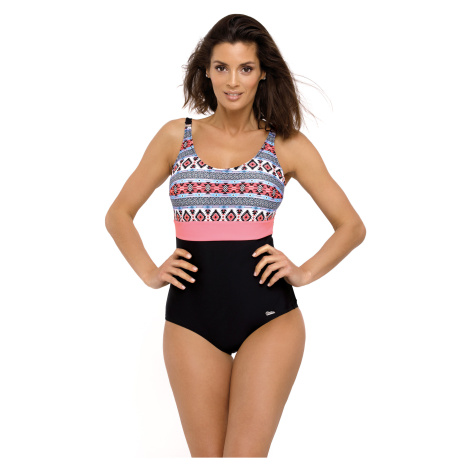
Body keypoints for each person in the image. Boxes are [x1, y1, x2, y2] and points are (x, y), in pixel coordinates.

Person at [105, 13, 366, 458]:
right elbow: (118, 214)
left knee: (243, 459)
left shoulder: (285, 144)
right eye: (221, 67)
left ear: (262, 72)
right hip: (190, 319)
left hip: (270, 318)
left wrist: (303, 272)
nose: (232, 81)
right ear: (206, 71)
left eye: (245, 68)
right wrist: (150, 272)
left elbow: (351, 226)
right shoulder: (176, 137)